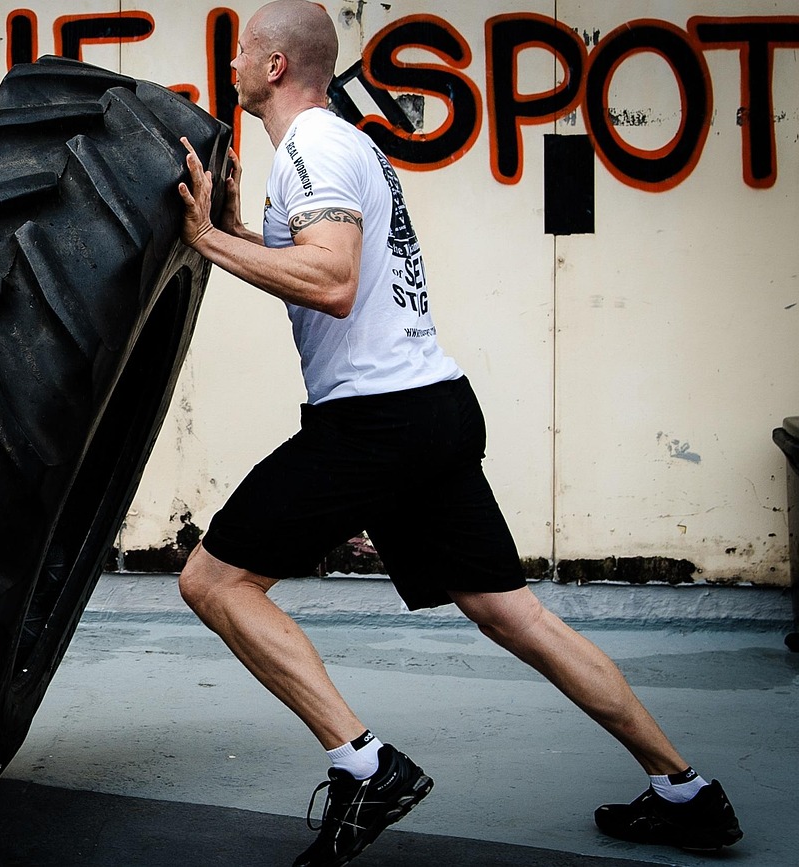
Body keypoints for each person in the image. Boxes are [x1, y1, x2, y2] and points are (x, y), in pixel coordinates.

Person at [174, 2, 742, 865]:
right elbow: (329, 273)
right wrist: (238, 232)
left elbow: (331, 282)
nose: (234, 63)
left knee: (215, 581)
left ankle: (366, 766)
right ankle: (686, 790)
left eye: (244, 49)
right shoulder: (341, 144)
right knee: (516, 615)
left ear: (277, 65)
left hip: (376, 420)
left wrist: (209, 242)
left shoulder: (312, 147)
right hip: (430, 407)